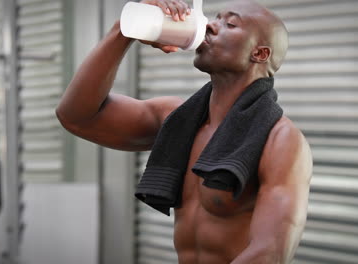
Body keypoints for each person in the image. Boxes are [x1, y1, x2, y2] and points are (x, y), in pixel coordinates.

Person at [56, 0, 313, 263]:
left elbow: (270, 252)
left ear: (259, 54)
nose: (210, 25)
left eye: (230, 24)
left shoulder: (280, 140)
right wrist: (123, 31)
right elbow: (77, 116)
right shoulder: (177, 120)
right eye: (215, 18)